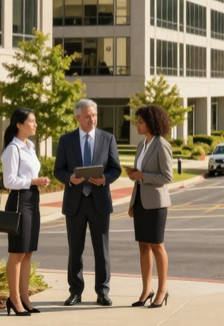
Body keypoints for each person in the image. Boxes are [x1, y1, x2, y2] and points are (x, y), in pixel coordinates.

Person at [54, 99, 122, 306]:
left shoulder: (107, 138)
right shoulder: (66, 140)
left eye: (94, 115)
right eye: (87, 116)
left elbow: (115, 168)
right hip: (75, 202)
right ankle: (75, 291)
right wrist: (69, 179)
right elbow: (59, 170)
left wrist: (105, 180)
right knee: (75, 250)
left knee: (101, 249)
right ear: (77, 118)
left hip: (99, 201)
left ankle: (102, 291)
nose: (92, 119)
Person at [0, 108, 51, 316]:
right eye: (31, 121)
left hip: (32, 200)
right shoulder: (13, 149)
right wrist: (33, 181)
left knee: (28, 251)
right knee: (18, 252)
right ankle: (14, 299)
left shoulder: (29, 146)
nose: (35, 124)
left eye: (35, 121)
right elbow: (8, 181)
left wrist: (39, 181)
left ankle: (24, 297)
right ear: (19, 125)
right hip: (19, 202)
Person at [126, 105, 174, 308]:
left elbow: (167, 176)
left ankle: (162, 290)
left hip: (156, 204)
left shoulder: (161, 145)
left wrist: (142, 176)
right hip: (140, 201)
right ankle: (147, 290)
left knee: (157, 246)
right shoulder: (141, 145)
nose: (137, 125)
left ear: (151, 123)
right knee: (143, 246)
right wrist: (132, 202)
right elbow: (139, 176)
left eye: (140, 122)